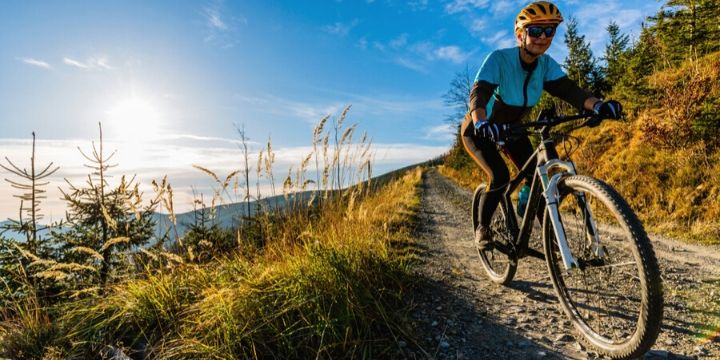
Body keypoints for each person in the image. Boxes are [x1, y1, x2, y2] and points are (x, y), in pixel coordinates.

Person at [461, 1, 622, 250]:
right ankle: (482, 227)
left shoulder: (545, 65)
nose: (543, 37)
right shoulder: (500, 59)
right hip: (480, 130)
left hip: (513, 130)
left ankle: (550, 239)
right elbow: (479, 92)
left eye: (549, 31)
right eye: (535, 31)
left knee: (540, 176)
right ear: (520, 35)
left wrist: (598, 105)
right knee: (500, 176)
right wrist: (480, 120)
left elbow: (571, 91)